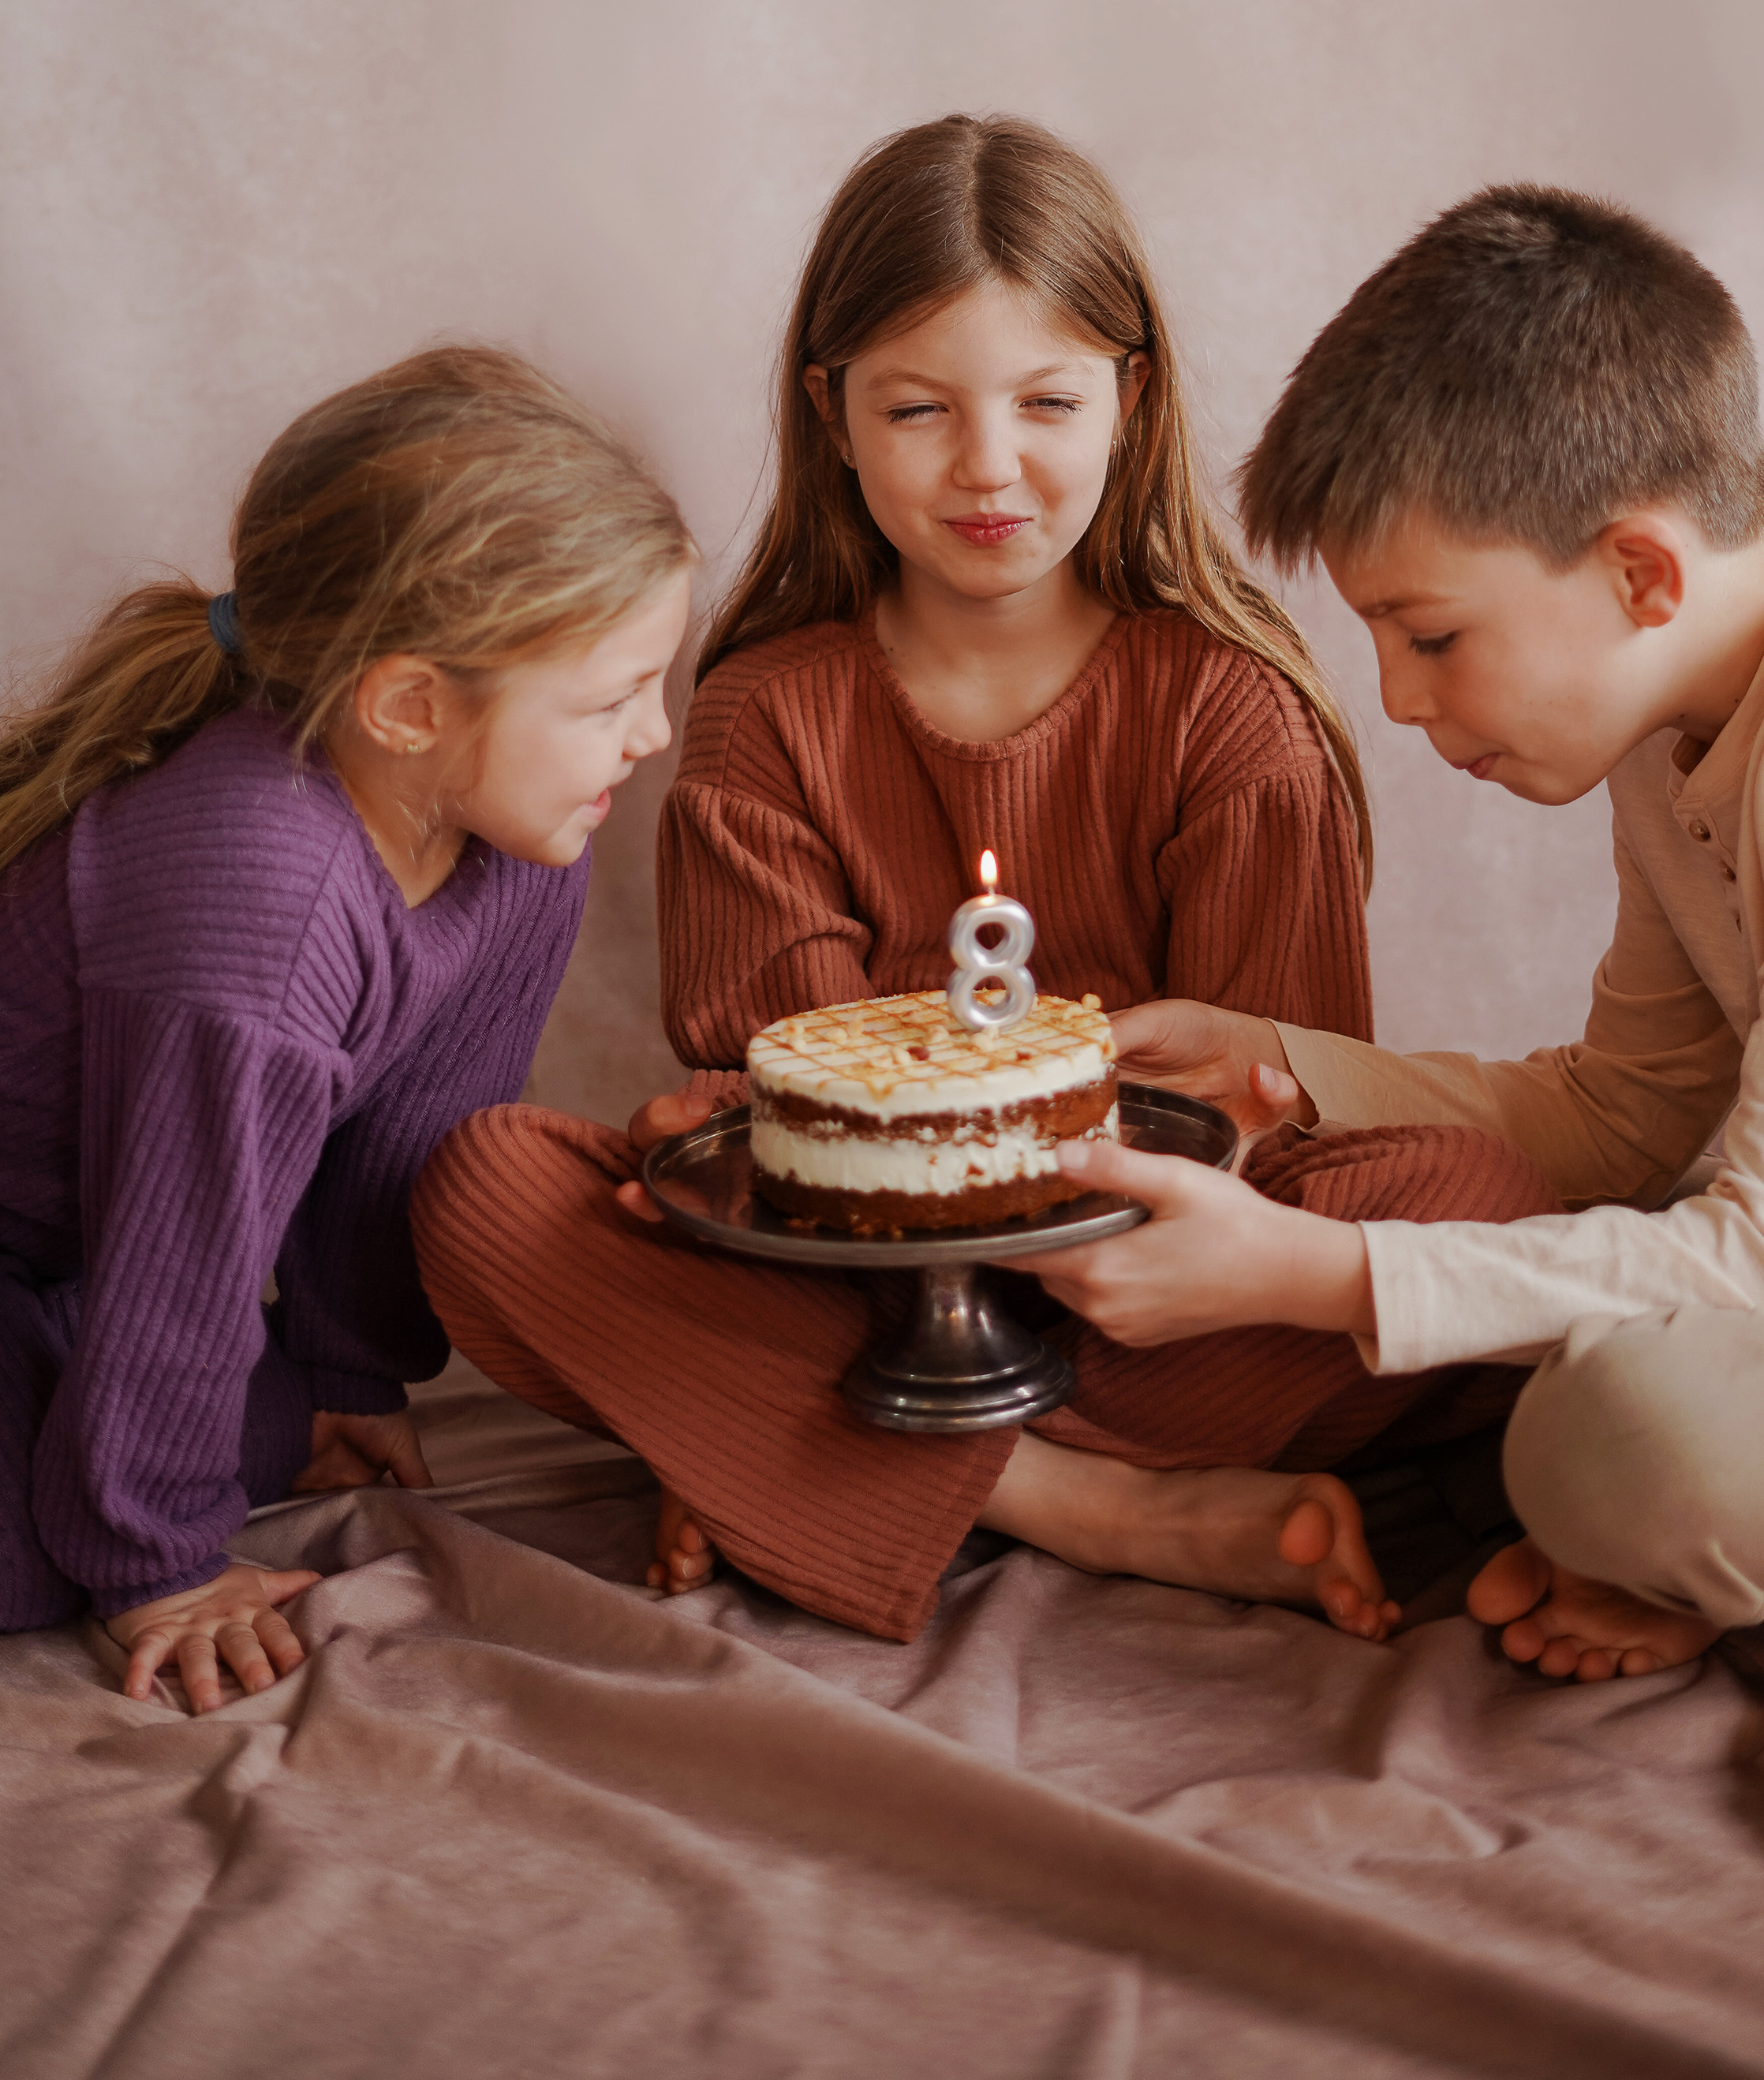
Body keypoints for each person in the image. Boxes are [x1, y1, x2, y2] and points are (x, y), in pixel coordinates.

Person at [415, 118, 1552, 1643]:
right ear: (833, 415)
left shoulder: (1229, 713)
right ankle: (1080, 1502)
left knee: (1479, 1198)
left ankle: (773, 1450)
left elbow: (1279, 1118)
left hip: (1154, 1298)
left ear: (1130, 399)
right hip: (844, 1287)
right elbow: (795, 1144)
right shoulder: (768, 713)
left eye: (1047, 401)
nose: (988, 467)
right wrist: (720, 1153)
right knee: (487, 1185)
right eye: (917, 408)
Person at [1027, 181, 1764, 1681]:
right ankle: (1749, 1532)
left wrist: (1313, 1273)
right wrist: (1280, 1062)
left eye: (1431, 638)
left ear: (1640, 572)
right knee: (1558, 1399)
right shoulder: (1673, 706)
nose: (1407, 702)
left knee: (1615, 1437)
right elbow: (1627, 1113)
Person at [0, 347, 692, 1711]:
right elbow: (187, 1237)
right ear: (411, 706)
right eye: (611, 700)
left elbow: (410, 1141)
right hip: (82, 1254)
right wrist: (156, 1561)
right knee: (49, 1555)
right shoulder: (257, 888)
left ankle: (118, 1442)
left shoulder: (524, 845)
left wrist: (345, 1369)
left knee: (243, 1424)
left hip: (89, 1277)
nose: (653, 736)